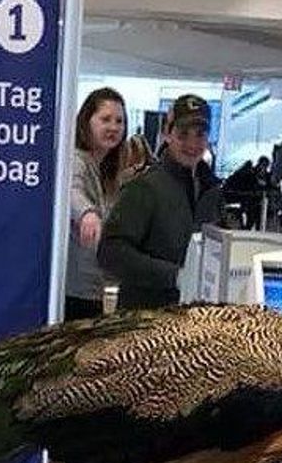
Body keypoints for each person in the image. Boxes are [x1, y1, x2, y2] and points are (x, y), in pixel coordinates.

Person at [99, 94, 223, 310]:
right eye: (183, 134)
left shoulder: (211, 190)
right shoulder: (145, 187)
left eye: (200, 134)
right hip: (144, 322)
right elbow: (111, 251)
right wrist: (174, 276)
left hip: (194, 321)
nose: (192, 143)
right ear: (167, 133)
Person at [66, 88, 127, 321]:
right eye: (105, 119)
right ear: (86, 121)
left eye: (119, 121)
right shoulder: (76, 160)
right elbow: (72, 190)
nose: (113, 127)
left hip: (92, 286)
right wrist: (87, 214)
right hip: (74, 288)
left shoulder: (106, 171)